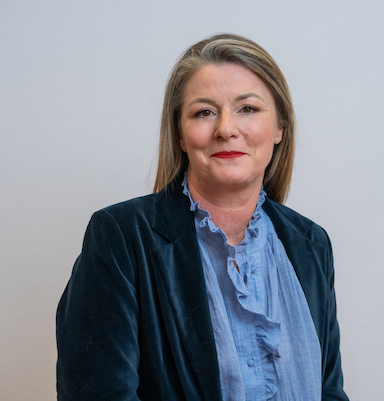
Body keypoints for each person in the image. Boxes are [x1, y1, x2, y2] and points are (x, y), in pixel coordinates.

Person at [56, 33, 349, 401]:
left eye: (248, 109)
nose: (226, 129)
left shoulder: (311, 243)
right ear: (180, 134)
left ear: (279, 128)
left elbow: (329, 391)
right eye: (204, 112)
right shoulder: (121, 237)